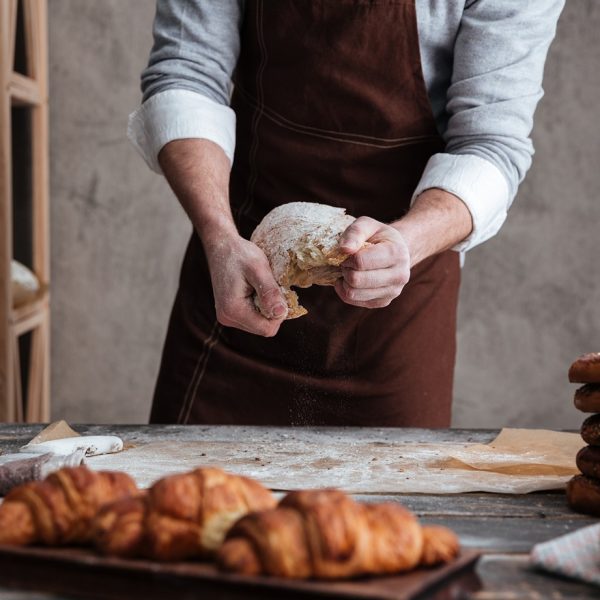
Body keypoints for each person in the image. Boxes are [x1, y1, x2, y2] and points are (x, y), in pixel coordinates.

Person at [129, 1, 565, 427]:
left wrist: (405, 244)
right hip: (237, 269)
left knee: (390, 497)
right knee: (190, 497)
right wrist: (219, 236)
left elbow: (490, 144)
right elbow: (186, 73)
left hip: (400, 289)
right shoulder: (227, 244)